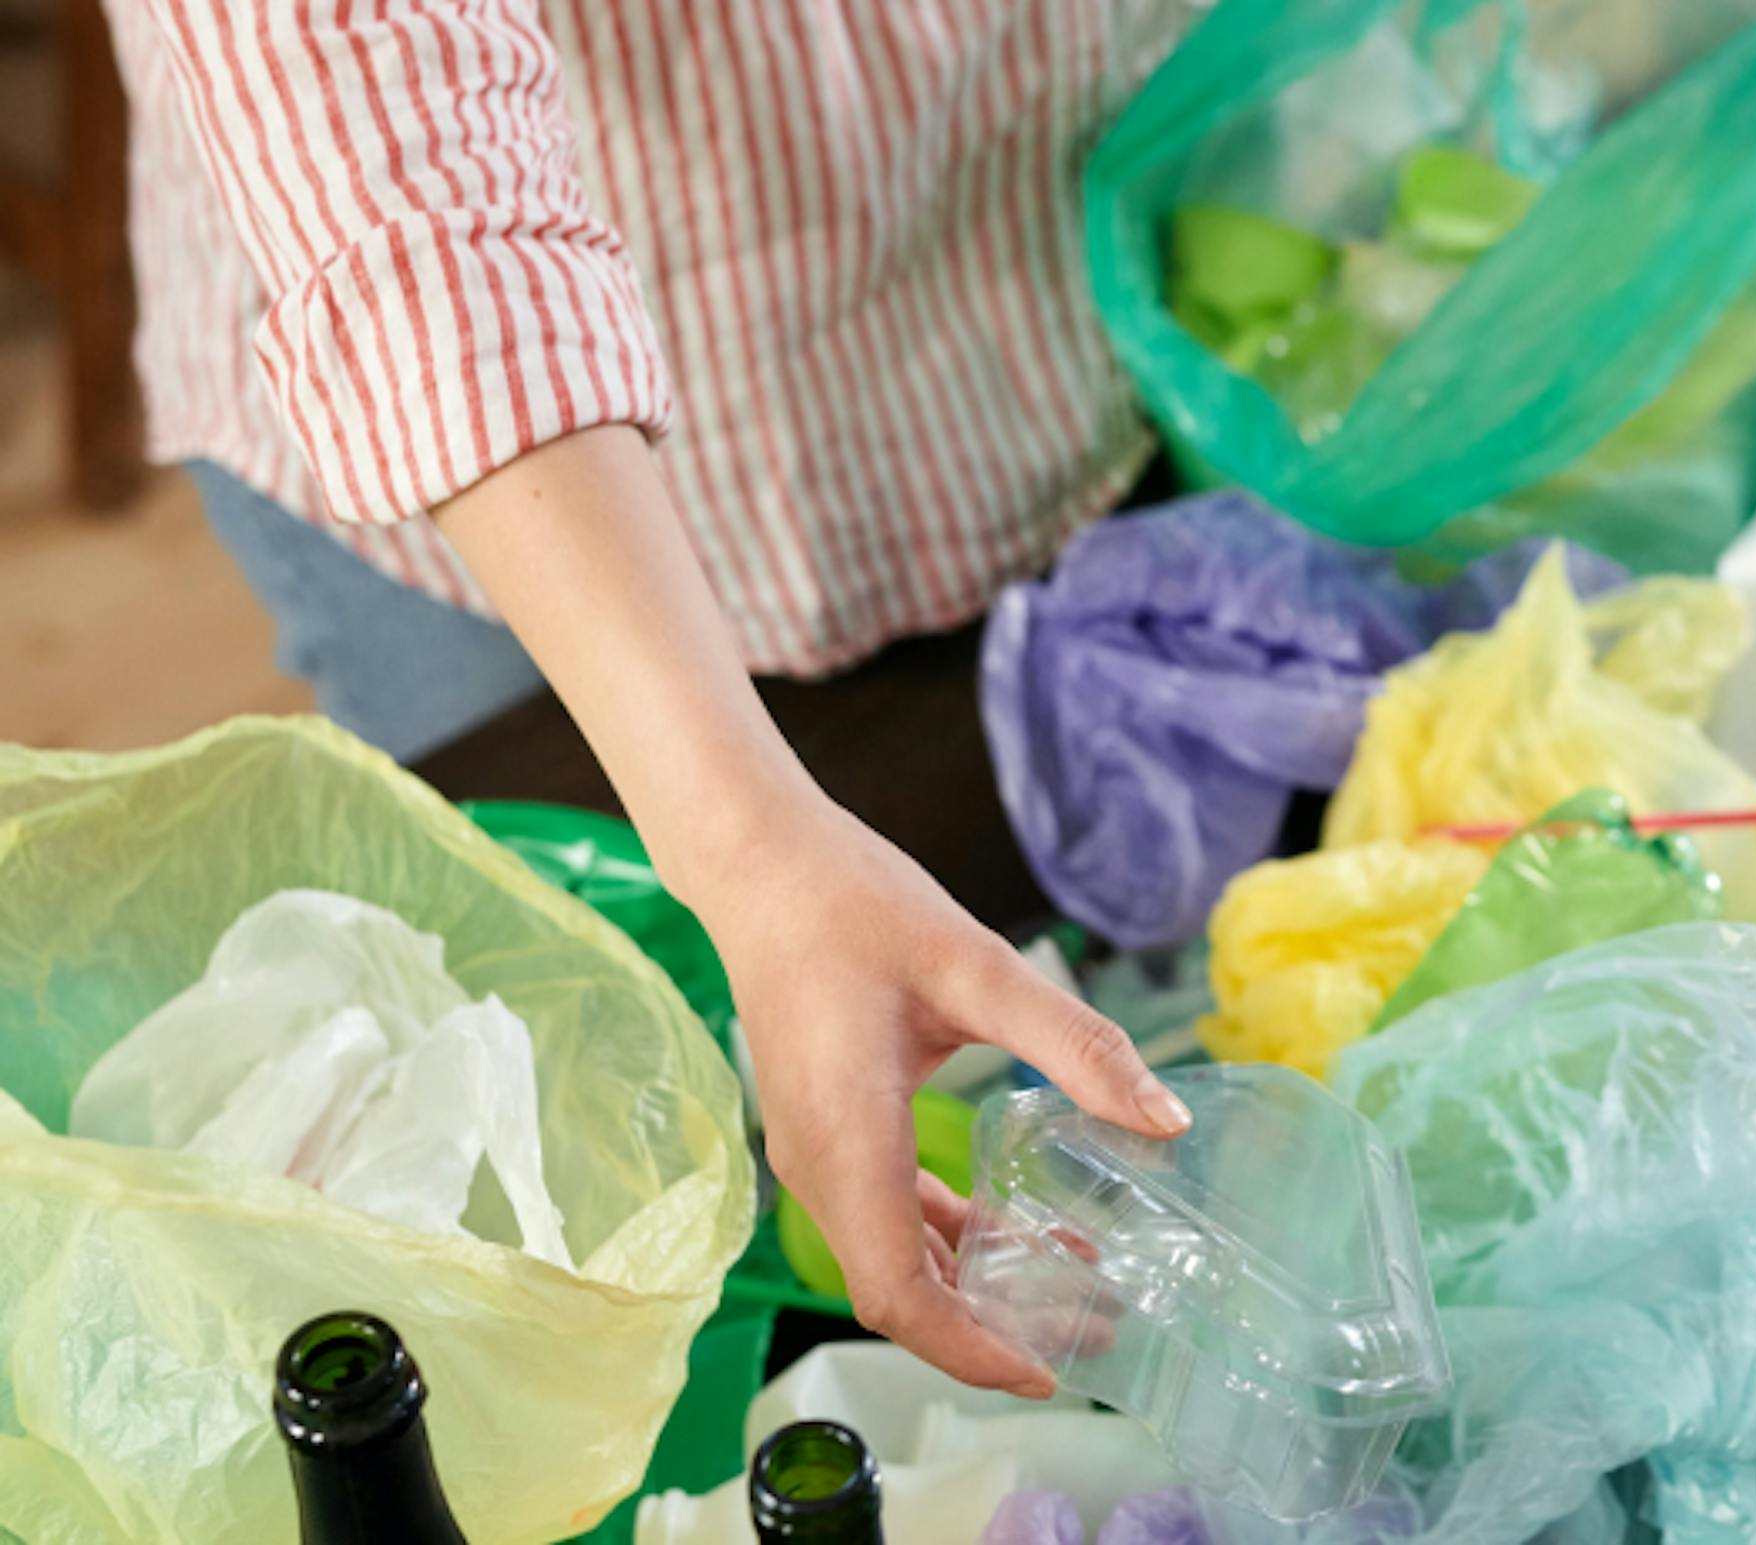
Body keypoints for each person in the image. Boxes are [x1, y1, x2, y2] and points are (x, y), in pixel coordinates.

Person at [105, 0, 1197, 1394]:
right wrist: (748, 846)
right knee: (528, 1062)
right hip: (494, 471)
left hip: (1025, 279)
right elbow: (408, 169)